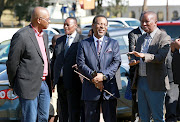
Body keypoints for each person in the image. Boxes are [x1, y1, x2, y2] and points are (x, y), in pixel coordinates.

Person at [6, 7, 52, 122]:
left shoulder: (45, 36)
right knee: (29, 118)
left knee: (44, 118)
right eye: (48, 19)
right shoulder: (22, 35)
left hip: (44, 84)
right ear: (39, 20)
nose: (49, 21)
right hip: (28, 85)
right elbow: (12, 62)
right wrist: (14, 83)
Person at [76, 15, 121, 122]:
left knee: (110, 118)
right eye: (100, 24)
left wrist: (103, 76)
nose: (102, 27)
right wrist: (95, 77)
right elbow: (80, 63)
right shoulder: (84, 44)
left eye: (105, 25)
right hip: (90, 89)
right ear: (93, 25)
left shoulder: (113, 43)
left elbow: (116, 62)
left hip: (109, 89)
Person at [129, 11, 171, 121]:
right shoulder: (141, 39)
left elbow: (160, 58)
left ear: (155, 22)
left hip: (156, 82)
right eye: (142, 22)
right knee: (143, 116)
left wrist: (143, 56)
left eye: (147, 22)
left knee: (157, 117)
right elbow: (138, 56)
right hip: (141, 81)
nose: (144, 24)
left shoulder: (164, 37)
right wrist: (135, 61)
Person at [51, 17, 85, 122]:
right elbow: (55, 60)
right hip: (61, 82)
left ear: (75, 26)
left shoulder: (82, 40)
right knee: (62, 112)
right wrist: (53, 79)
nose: (65, 27)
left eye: (68, 25)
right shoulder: (60, 40)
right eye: (64, 24)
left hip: (75, 82)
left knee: (74, 112)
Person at [128, 14, 145, 121]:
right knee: (136, 99)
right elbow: (132, 51)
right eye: (143, 21)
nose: (145, 24)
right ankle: (136, 117)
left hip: (151, 71)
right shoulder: (133, 34)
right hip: (136, 71)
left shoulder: (154, 33)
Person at [49, 35, 61, 122]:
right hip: (53, 84)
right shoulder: (49, 52)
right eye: (55, 42)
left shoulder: (62, 51)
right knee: (52, 111)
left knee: (58, 110)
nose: (57, 44)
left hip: (61, 83)